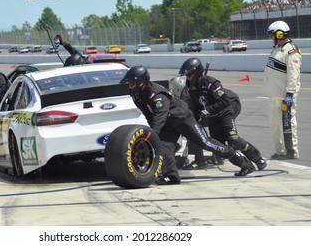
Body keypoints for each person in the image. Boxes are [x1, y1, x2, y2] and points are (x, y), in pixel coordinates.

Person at [119, 66, 256, 185]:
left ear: (141, 82)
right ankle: (171, 177)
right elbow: (149, 115)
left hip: (183, 119)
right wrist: (154, 135)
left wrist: (151, 134)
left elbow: (159, 116)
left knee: (206, 143)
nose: (129, 86)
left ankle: (244, 163)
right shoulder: (137, 95)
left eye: (131, 83)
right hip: (169, 123)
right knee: (164, 146)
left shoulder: (157, 95)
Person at [178, 57, 267, 171]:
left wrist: (208, 110)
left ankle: (258, 159)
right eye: (187, 76)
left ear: (196, 73)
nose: (188, 78)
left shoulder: (211, 83)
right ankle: (209, 159)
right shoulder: (191, 89)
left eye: (190, 75)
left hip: (225, 113)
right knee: (216, 145)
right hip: (213, 119)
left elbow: (225, 101)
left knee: (233, 138)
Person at [263, 20, 301, 160]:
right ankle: (280, 151)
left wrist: (290, 94)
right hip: (273, 95)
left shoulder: (291, 51)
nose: (271, 38)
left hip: (284, 96)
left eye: (272, 35)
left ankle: (291, 151)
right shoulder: (277, 49)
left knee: (287, 125)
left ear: (279, 34)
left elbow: (293, 74)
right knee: (275, 126)